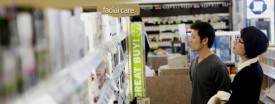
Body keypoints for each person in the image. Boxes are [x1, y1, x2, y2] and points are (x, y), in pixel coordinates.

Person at [208, 26, 269, 104]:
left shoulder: (247, 73)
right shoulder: (253, 66)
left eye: (239, 40)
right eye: (237, 38)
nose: (234, 42)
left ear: (249, 46)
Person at [189, 22, 231, 104]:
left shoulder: (217, 65)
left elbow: (225, 95)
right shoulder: (194, 62)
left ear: (204, 40)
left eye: (193, 37)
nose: (190, 40)